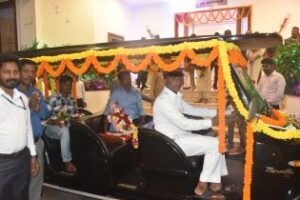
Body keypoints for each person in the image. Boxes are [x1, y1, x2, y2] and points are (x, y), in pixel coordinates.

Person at [153, 69, 228, 198]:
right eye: (174, 78)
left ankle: (215, 182)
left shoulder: (175, 96)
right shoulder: (163, 100)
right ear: (166, 80)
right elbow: (184, 123)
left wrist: (217, 112)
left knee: (216, 142)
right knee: (216, 144)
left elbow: (193, 110)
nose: (178, 81)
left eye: (180, 78)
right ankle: (202, 184)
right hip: (171, 142)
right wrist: (211, 122)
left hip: (181, 136)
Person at [0, 54, 39, 200]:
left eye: (15, 72)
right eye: (6, 72)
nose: (12, 76)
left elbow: (27, 128)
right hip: (2, 163)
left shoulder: (22, 98)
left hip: (22, 160)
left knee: (21, 196)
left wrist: (32, 155)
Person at [18, 59, 50, 200]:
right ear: (18, 72)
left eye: (32, 71)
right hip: (19, 147)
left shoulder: (36, 92)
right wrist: (31, 109)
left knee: (36, 181)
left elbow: (46, 113)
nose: (29, 75)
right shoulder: (11, 93)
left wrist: (38, 108)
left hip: (37, 143)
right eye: (26, 71)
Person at [45, 74, 77, 173]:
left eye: (70, 85)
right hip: (51, 128)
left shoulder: (72, 100)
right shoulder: (52, 99)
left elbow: (75, 116)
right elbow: (44, 118)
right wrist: (54, 121)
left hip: (67, 125)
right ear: (60, 85)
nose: (68, 87)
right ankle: (67, 162)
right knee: (64, 130)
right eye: (66, 85)